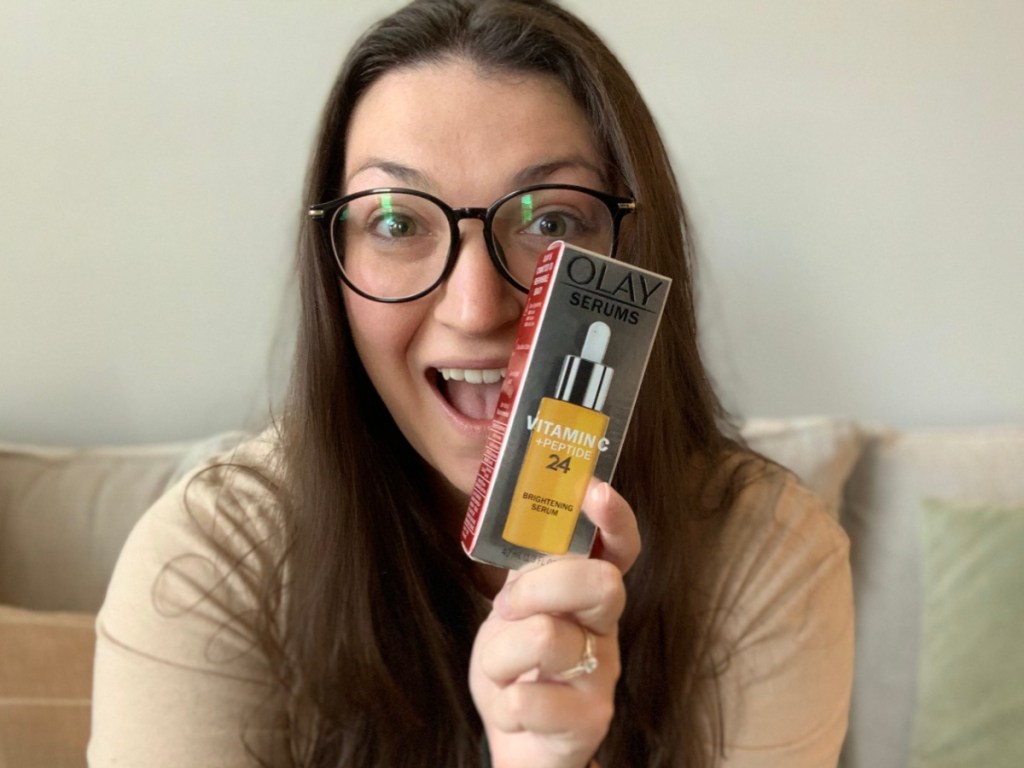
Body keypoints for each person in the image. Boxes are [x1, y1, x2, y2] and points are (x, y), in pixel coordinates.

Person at [88, 1, 853, 766]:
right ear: (333, 267)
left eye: (551, 221)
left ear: (638, 249)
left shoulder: (765, 554)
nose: (476, 306)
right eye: (396, 223)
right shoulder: (207, 562)